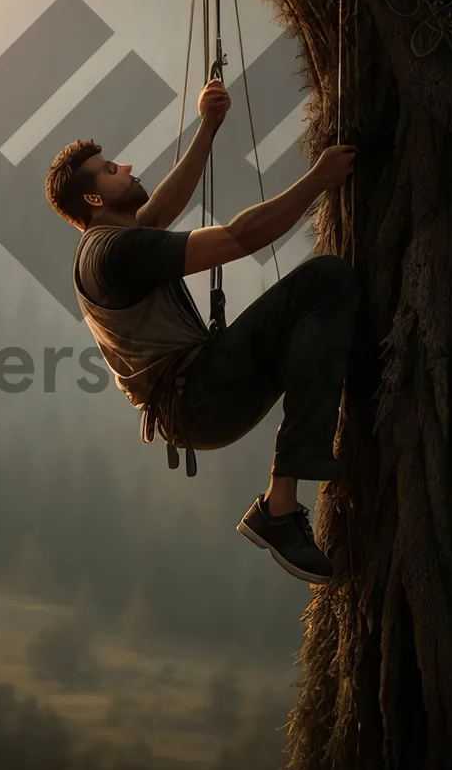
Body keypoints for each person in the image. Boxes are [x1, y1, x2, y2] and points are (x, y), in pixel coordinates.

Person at [44, 77, 361, 585]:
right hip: (200, 396)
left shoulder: (107, 244)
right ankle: (279, 507)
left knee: (317, 315)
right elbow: (239, 237)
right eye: (109, 171)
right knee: (324, 281)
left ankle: (281, 503)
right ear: (92, 197)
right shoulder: (115, 253)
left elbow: (161, 208)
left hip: (195, 406)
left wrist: (208, 128)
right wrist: (317, 180)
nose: (124, 168)